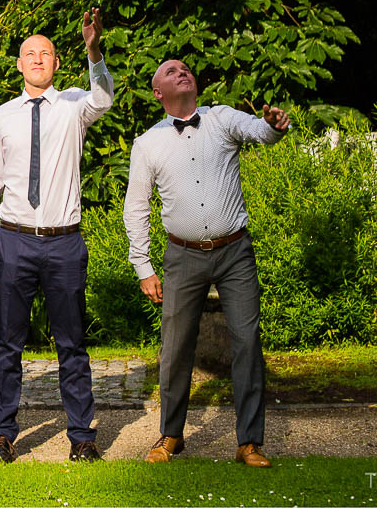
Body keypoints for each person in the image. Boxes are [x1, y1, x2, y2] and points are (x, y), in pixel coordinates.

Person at [126, 59, 289, 468]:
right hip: (181, 255)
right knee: (176, 347)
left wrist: (273, 126)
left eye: (185, 68)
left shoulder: (221, 118)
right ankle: (171, 435)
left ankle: (249, 442)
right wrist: (143, 266)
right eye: (170, 71)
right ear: (158, 93)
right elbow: (136, 208)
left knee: (247, 341)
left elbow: (261, 131)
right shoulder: (148, 143)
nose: (181, 71)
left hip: (235, 251)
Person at [0, 7, 111, 463]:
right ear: (19, 65)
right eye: (30, 53)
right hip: (14, 239)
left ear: (57, 64)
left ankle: (82, 436)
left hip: (63, 242)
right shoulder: (1, 117)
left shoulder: (76, 105)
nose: (38, 59)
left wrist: (93, 50)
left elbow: (105, 98)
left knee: (71, 342)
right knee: (7, 343)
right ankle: (2, 434)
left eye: (47, 53)